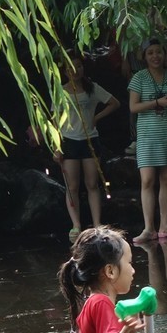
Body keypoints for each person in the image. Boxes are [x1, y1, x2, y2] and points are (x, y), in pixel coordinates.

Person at [55, 51, 120, 240]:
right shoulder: (61, 91)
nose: (76, 71)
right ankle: (76, 225)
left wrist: (96, 118)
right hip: (69, 140)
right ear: (65, 70)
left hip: (90, 139)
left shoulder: (92, 88)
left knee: (92, 183)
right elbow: (55, 120)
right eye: (72, 67)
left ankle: (97, 223)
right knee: (72, 186)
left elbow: (114, 103)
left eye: (79, 66)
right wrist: (56, 146)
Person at [128, 38, 167, 242]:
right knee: (147, 180)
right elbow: (133, 107)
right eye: (150, 53)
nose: (155, 56)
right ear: (145, 57)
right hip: (147, 136)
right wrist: (156, 102)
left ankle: (165, 225)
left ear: (164, 55)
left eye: (159, 52)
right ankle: (148, 228)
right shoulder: (139, 77)